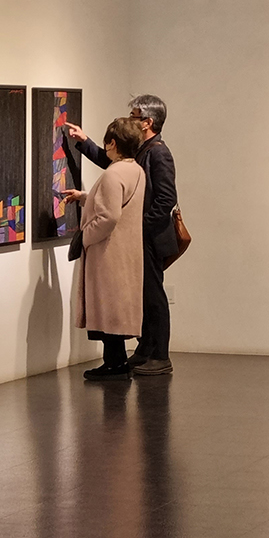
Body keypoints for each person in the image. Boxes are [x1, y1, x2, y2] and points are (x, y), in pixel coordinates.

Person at [66, 95, 178, 376]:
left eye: (134, 116)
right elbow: (113, 162)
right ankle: (145, 350)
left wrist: (138, 228)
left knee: (152, 296)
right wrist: (85, 142)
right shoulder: (140, 151)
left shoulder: (158, 153)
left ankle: (159, 355)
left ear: (147, 122)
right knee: (140, 295)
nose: (130, 120)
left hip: (150, 238)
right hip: (139, 237)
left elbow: (166, 199)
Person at [64, 118, 146, 380]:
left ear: (112, 143)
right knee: (115, 305)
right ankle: (116, 361)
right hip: (125, 249)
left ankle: (114, 363)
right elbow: (116, 203)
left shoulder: (113, 173)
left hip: (108, 249)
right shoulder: (135, 170)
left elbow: (108, 216)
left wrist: (85, 238)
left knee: (108, 305)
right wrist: (84, 197)